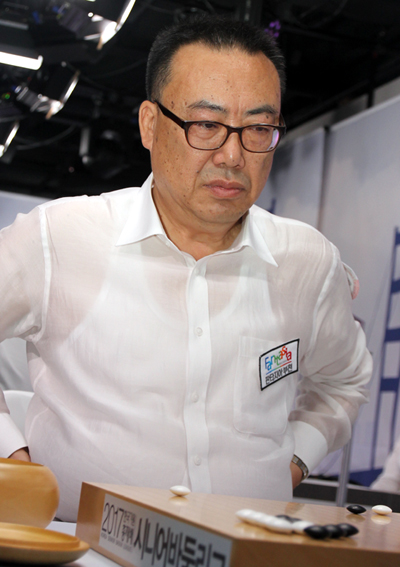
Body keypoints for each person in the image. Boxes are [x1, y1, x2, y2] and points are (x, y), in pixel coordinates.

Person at [0, 15, 371, 521]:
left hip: (246, 547)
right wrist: (12, 456)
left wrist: (292, 462)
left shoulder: (307, 262)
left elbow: (345, 380)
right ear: (150, 124)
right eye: (207, 126)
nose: (233, 155)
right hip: (82, 547)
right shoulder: (60, 237)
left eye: (259, 129)